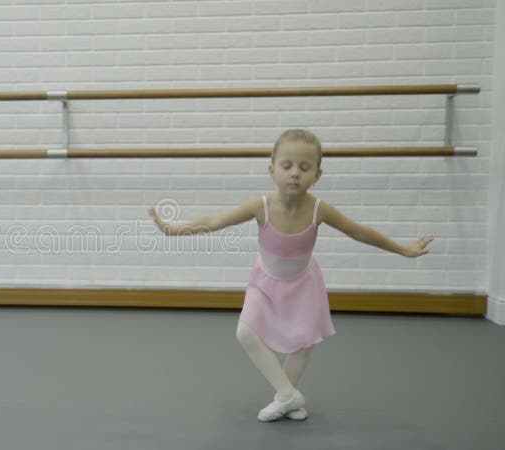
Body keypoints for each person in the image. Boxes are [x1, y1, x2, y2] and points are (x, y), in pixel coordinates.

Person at [148, 129, 434, 422]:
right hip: (265, 283)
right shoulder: (260, 206)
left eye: (304, 167)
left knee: (302, 344)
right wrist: (174, 229)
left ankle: (285, 397)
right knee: (245, 332)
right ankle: (288, 395)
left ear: (318, 175)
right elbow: (216, 221)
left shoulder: (318, 209)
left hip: (303, 285)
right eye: (287, 166)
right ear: (272, 171)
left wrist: (403, 249)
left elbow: (360, 231)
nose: (295, 173)